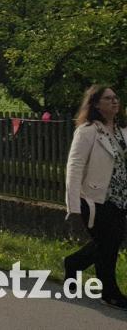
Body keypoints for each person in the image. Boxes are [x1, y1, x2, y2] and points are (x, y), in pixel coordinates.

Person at [64, 85, 127, 310]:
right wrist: (73, 204)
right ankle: (109, 293)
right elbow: (75, 166)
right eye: (108, 98)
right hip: (94, 198)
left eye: (115, 98)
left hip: (121, 198)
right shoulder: (88, 130)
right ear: (96, 104)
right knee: (107, 245)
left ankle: (73, 263)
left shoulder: (122, 131)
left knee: (109, 242)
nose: (114, 101)